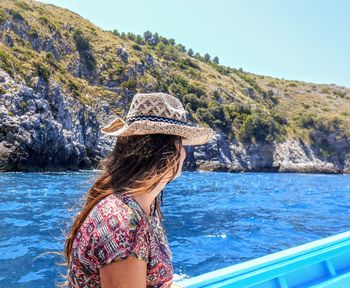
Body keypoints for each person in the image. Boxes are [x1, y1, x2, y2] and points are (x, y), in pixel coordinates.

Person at [60, 92, 215, 287]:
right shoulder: (124, 225)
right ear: (168, 152)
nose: (184, 152)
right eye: (181, 143)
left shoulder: (141, 208)